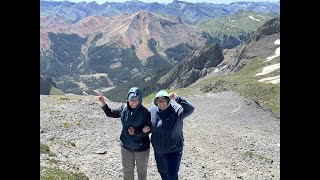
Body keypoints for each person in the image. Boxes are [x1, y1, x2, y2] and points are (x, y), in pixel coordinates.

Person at [98, 87, 152, 180]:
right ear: (128, 99)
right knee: (127, 171)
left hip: (141, 148)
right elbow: (110, 113)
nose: (133, 102)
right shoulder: (123, 108)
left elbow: (148, 130)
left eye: (136, 100)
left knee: (142, 172)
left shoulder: (145, 112)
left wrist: (135, 132)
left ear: (140, 99)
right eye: (131, 100)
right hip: (126, 147)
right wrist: (103, 102)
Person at [149, 90, 194, 180]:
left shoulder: (177, 111)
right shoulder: (152, 111)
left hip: (173, 151)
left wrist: (177, 98)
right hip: (159, 151)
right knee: (163, 174)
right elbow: (145, 121)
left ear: (168, 100)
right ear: (156, 102)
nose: (161, 103)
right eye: (159, 101)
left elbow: (190, 108)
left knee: (172, 176)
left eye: (164, 100)